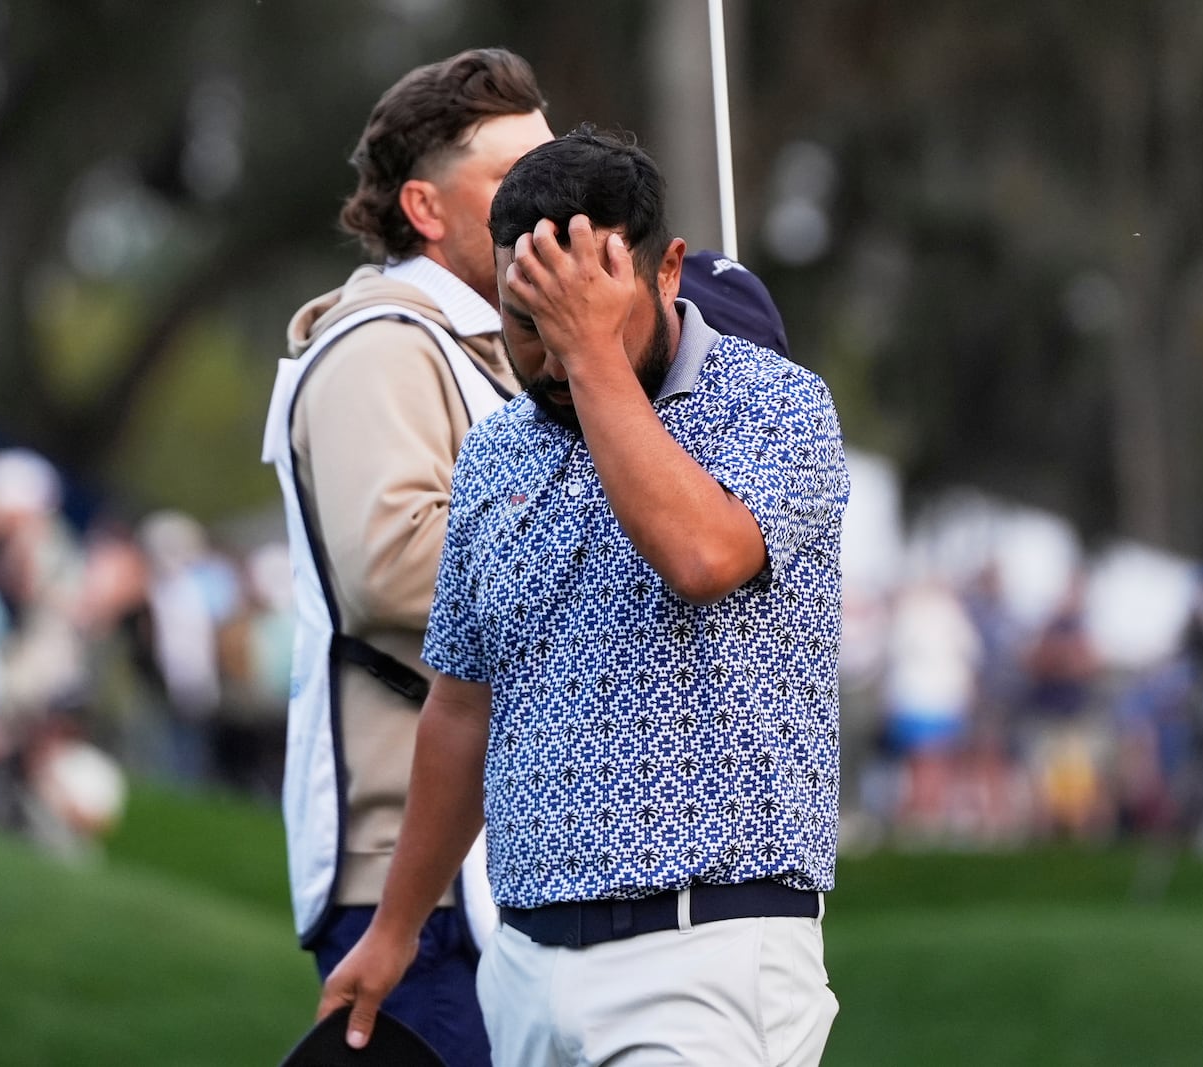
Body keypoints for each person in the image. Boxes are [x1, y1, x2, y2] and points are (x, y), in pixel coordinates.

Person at [320, 126, 848, 1066]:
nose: (555, 362)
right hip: (526, 963)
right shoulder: (496, 449)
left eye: (586, 313)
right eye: (529, 323)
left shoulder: (777, 403)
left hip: (709, 952)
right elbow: (460, 707)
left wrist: (590, 349)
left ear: (668, 270)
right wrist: (396, 928)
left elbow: (699, 556)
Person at [261, 48, 550, 1067]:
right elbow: (394, 569)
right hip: (414, 881)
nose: (551, 202)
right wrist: (607, 556)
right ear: (426, 208)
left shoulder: (498, 349)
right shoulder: (385, 342)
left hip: (496, 862)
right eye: (518, 180)